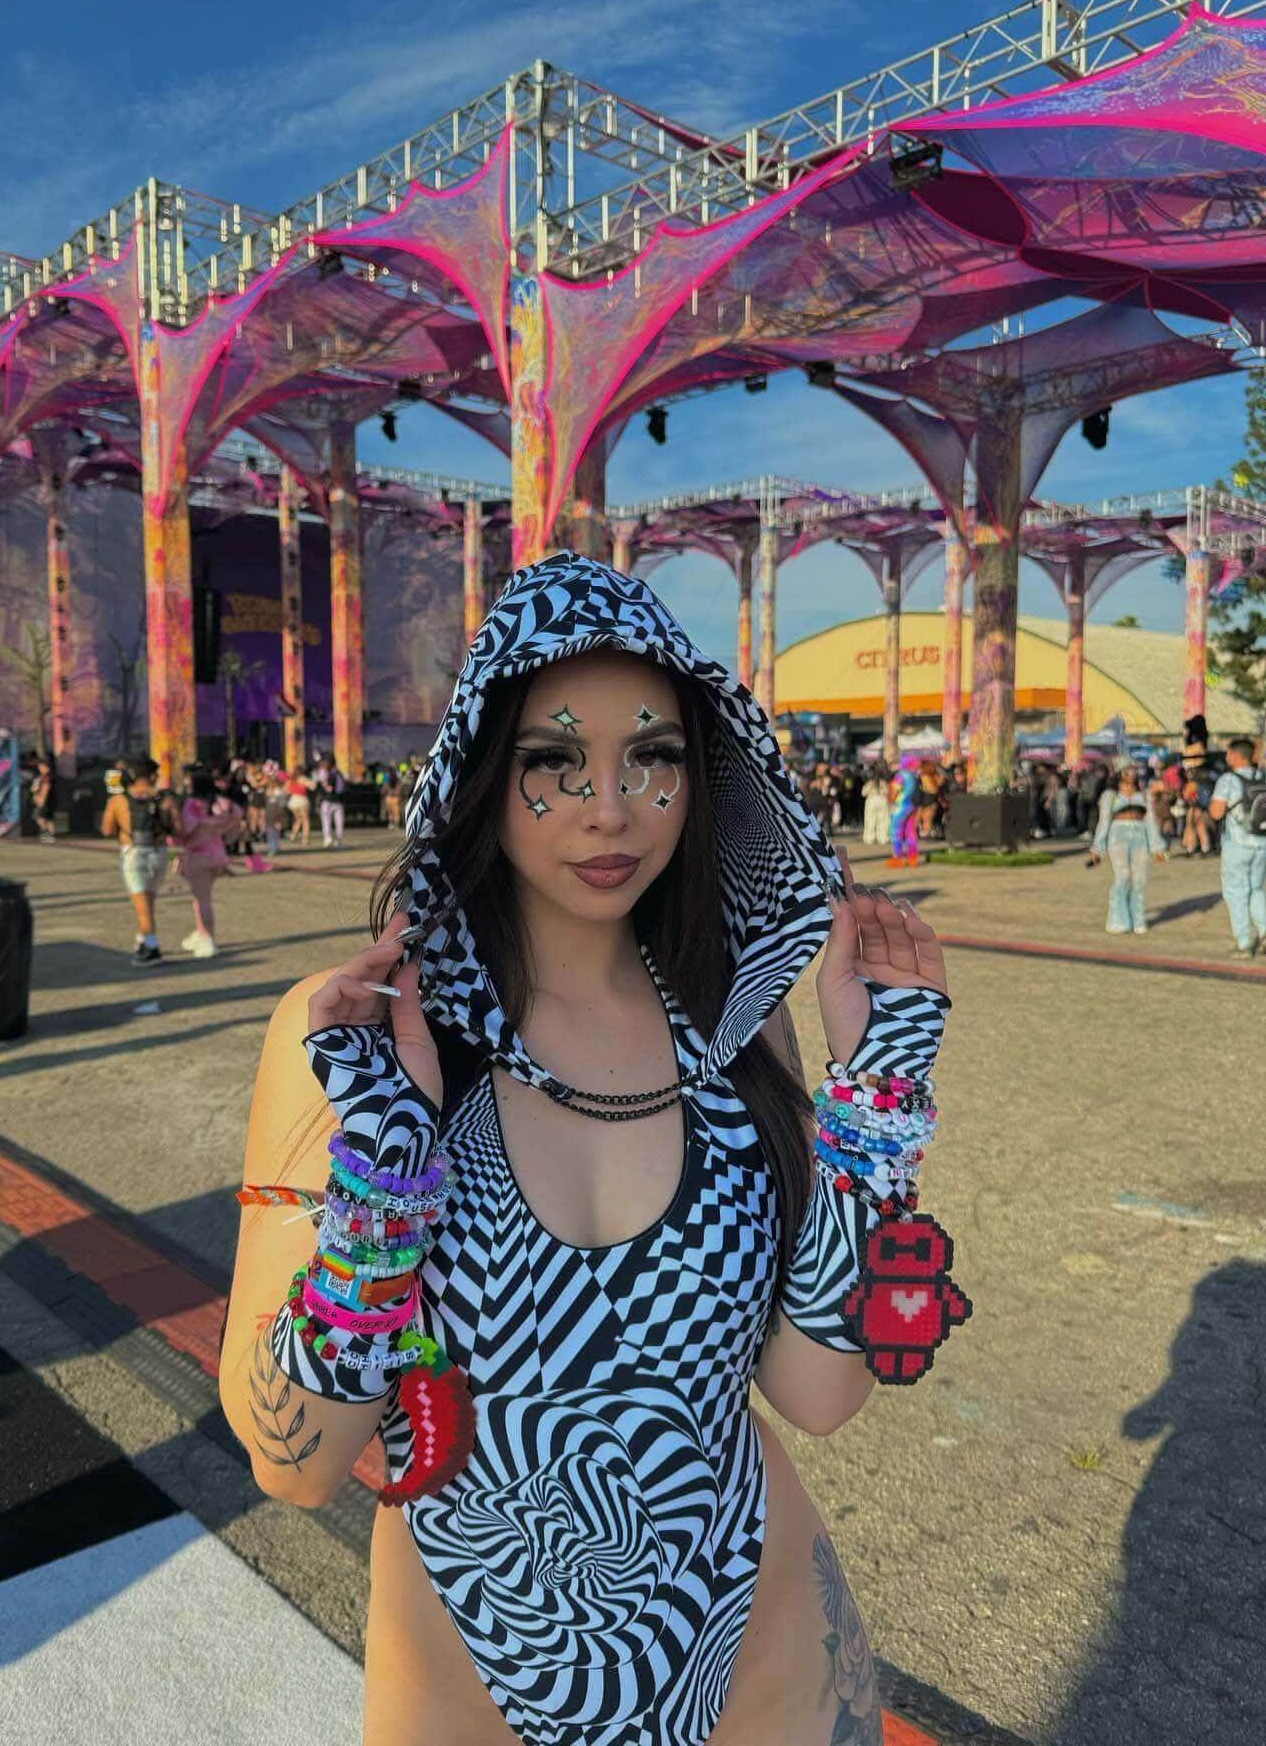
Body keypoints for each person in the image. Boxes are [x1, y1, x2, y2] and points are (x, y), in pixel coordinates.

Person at [221, 554, 965, 1746]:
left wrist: (876, 1099)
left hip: (766, 1663)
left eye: (653, 757)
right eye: (552, 761)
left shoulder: (739, 1016)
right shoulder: (360, 1032)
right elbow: (290, 1463)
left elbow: (817, 1395)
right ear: (480, 772)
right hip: (464, 1682)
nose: (608, 807)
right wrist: (386, 1177)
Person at [100, 755, 180, 964]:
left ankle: (151, 947)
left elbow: (107, 829)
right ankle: (141, 939)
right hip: (159, 853)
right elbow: (178, 828)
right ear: (153, 775)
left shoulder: (118, 800)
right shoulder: (166, 799)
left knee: (141, 904)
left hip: (133, 854)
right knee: (147, 901)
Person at [1088, 763, 1167, 936]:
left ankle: (1138, 919)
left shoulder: (1144, 794)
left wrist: (1157, 847)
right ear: (1118, 773)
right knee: (1122, 876)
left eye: (1133, 770)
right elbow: (1103, 821)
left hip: (1140, 835)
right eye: (1127, 770)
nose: (1131, 773)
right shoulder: (1110, 795)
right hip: (1118, 835)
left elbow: (1151, 821)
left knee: (1140, 878)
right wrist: (1097, 848)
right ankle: (1118, 919)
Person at [1209, 736, 1266, 958]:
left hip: (1238, 843)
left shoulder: (1228, 780)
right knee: (1255, 889)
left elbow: (1216, 812)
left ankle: (1243, 942)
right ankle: (1264, 931)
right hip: (1262, 842)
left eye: (1227, 753)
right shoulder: (1262, 776)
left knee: (1235, 892)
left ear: (1234, 755)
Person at [176, 769, 242, 958]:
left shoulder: (192, 804)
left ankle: (207, 939)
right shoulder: (220, 803)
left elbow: (186, 828)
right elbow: (236, 815)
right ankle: (200, 932)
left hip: (198, 856)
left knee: (201, 900)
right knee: (202, 897)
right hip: (218, 855)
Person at [315, 754, 346, 849]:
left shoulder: (325, 772)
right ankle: (337, 841)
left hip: (327, 801)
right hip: (337, 801)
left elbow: (324, 785)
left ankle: (328, 839)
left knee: (326, 821)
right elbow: (341, 788)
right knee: (339, 822)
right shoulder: (338, 773)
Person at [861, 766, 891, 845]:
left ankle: (869, 838)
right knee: (883, 820)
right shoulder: (883, 782)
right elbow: (887, 792)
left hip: (871, 800)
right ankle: (883, 838)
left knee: (870, 820)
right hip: (882, 800)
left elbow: (863, 793)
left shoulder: (870, 782)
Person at [31, 753, 57, 843]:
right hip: (48, 800)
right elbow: (34, 788)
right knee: (48, 818)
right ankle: (50, 835)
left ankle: (47, 834)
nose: (39, 768)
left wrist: (41, 798)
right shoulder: (42, 776)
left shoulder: (47, 776)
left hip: (45, 800)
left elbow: (46, 788)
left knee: (39, 816)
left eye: (40, 766)